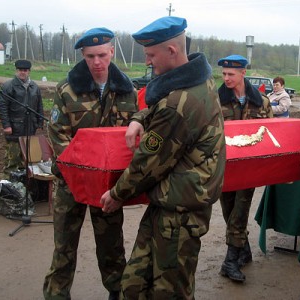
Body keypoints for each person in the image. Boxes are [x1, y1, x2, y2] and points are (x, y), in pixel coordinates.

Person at [100, 16, 226, 299]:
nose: (147, 61)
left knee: (170, 291)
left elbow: (148, 163)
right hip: (171, 203)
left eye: (151, 54)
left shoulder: (177, 104)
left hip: (179, 212)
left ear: (171, 51)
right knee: (135, 283)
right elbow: (164, 110)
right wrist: (139, 117)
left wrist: (117, 193)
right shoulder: (200, 82)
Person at [43, 27, 138, 300]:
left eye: (101, 55)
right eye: (89, 56)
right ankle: (57, 294)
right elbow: (57, 135)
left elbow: (130, 138)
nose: (96, 62)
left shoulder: (127, 91)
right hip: (70, 182)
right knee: (64, 246)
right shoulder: (67, 90)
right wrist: (77, 172)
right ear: (83, 56)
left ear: (111, 51)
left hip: (107, 186)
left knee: (111, 245)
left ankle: (116, 291)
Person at [217, 54, 273, 282]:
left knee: (239, 212)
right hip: (224, 167)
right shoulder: (215, 100)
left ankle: (229, 262)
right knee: (228, 212)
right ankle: (244, 250)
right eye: (223, 74)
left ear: (243, 73)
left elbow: (270, 134)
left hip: (249, 169)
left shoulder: (262, 102)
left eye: (231, 74)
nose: (226, 78)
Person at [0, 59, 43, 178]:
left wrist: (39, 123)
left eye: (25, 70)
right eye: (20, 70)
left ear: (29, 72)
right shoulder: (9, 86)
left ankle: (24, 185)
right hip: (14, 128)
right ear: (16, 71)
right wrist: (6, 125)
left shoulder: (34, 87)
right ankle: (8, 186)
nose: (23, 73)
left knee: (26, 159)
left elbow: (39, 106)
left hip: (30, 128)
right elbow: (2, 106)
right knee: (12, 159)